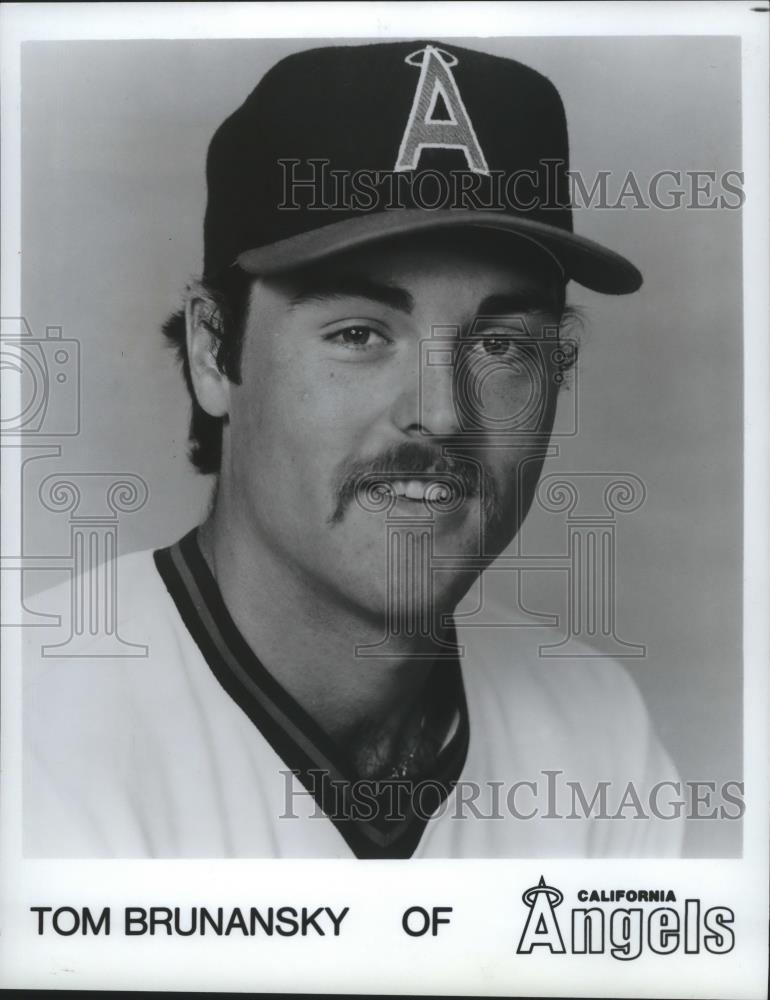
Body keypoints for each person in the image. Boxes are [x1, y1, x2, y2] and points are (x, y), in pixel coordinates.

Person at [24, 39, 683, 858]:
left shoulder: (596, 730)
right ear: (212, 351)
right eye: (360, 332)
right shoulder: (31, 725)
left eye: (502, 345)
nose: (442, 414)